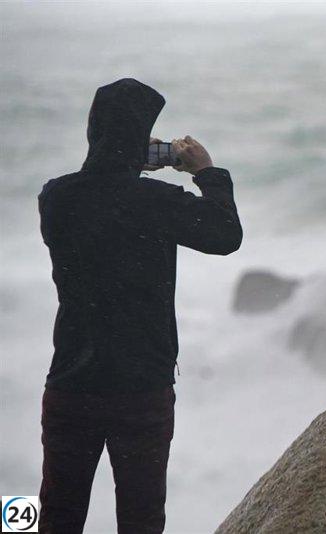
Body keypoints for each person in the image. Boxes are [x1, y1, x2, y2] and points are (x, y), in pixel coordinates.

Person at [37, 78, 242, 533]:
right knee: (141, 518)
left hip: (72, 382)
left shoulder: (55, 198)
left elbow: (101, 197)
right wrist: (206, 171)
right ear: (138, 140)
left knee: (57, 514)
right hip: (141, 386)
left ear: (94, 131)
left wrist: (126, 164)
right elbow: (226, 234)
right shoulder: (155, 202)